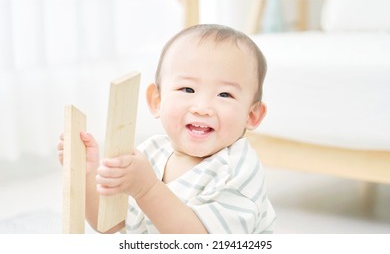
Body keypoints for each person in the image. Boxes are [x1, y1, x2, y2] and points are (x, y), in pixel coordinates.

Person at [57, 24, 275, 234]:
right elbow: (109, 224)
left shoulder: (237, 169)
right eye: (187, 89)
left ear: (251, 115)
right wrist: (85, 173)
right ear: (157, 101)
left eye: (224, 94)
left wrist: (147, 189)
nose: (202, 108)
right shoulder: (151, 152)